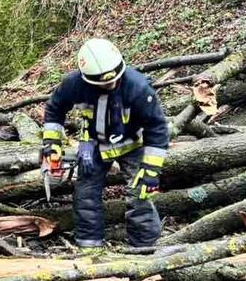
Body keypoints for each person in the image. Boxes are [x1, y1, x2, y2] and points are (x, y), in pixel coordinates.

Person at [41, 38, 168, 248]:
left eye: (113, 80)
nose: (110, 85)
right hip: (94, 145)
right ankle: (89, 246)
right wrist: (52, 143)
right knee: (85, 194)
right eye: (103, 83)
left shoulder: (137, 87)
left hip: (132, 144)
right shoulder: (74, 85)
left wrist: (151, 169)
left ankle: (145, 247)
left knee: (140, 193)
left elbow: (157, 128)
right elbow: (55, 109)